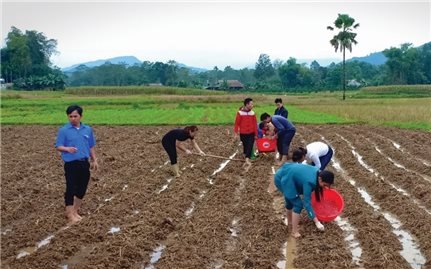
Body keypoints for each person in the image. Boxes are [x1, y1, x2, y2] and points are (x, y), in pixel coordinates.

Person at [55, 105, 99, 224]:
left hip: (84, 163)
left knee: (82, 188)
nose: (73, 118)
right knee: (71, 188)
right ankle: (69, 214)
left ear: (81, 116)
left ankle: (75, 211)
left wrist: (94, 159)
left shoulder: (87, 129)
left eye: (75, 116)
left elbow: (91, 146)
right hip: (71, 164)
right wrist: (67, 149)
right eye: (70, 116)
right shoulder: (64, 130)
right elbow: (58, 146)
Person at [274, 163, 335, 238]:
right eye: (325, 185)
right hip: (281, 179)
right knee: (298, 204)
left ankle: (290, 223)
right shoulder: (309, 181)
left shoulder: (317, 172)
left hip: (286, 174)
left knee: (290, 200)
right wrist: (317, 222)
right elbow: (307, 203)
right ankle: (294, 232)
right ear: (320, 179)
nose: (325, 187)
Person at [234, 98, 258, 170]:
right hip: (243, 133)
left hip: (251, 133)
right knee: (245, 145)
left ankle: (247, 159)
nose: (252, 105)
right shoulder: (240, 113)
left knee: (250, 145)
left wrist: (256, 134)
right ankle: (246, 156)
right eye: (251, 104)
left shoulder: (252, 113)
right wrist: (236, 133)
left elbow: (255, 124)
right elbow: (236, 124)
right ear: (247, 104)